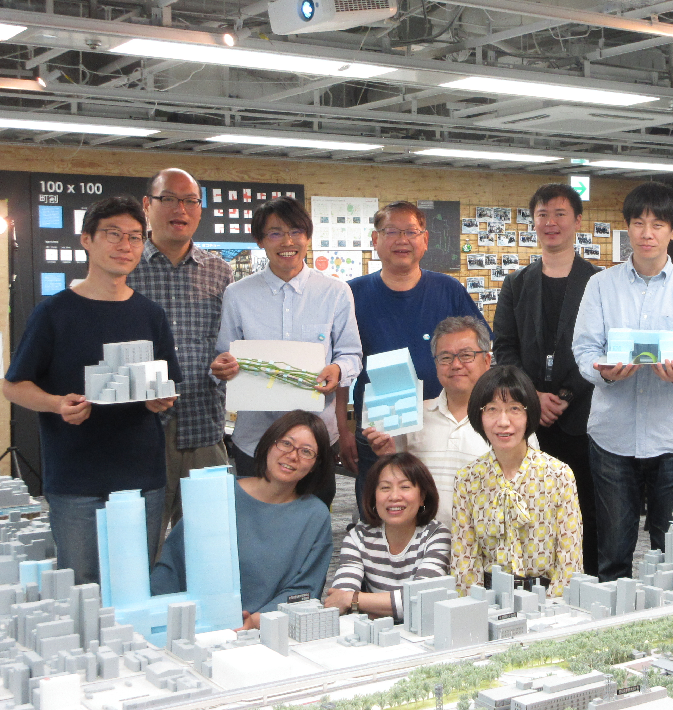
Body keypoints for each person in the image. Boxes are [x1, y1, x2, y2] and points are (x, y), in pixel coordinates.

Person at [3, 196, 180, 585]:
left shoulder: (151, 314)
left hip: (142, 475)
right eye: (113, 234)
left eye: (135, 237)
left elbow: (166, 382)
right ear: (87, 239)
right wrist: (56, 404)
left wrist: (159, 400)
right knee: (81, 588)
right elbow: (13, 386)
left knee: (136, 584)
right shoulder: (54, 313)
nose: (125, 245)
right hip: (75, 478)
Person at [572, 181, 673, 582]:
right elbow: (583, 350)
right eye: (638, 223)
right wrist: (603, 372)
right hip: (613, 438)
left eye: (657, 224)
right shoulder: (600, 285)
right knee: (614, 552)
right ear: (628, 228)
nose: (646, 233)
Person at [211, 197, 362, 508]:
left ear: (308, 237)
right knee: (256, 523)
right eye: (275, 233)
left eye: (296, 232)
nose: (288, 242)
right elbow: (224, 356)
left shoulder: (335, 292)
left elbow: (351, 355)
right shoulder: (238, 295)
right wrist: (222, 368)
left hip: (316, 440)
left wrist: (338, 370)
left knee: (313, 520)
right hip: (256, 438)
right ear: (260, 241)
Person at [339, 201, 486, 508]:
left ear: (425, 239)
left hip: (442, 427)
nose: (402, 240)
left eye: (411, 232)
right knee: (382, 511)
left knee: (445, 506)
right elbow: (341, 365)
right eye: (391, 231)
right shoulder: (351, 294)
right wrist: (343, 429)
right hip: (379, 432)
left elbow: (482, 354)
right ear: (375, 239)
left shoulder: (449, 290)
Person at [493, 183, 601, 574]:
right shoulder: (517, 283)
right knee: (531, 508)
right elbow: (504, 347)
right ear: (533, 222)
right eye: (542, 215)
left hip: (583, 418)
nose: (550, 222)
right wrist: (532, 396)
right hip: (529, 419)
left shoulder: (598, 282)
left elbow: (602, 349)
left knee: (583, 510)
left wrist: (567, 394)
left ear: (577, 221)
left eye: (559, 214)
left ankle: (584, 580)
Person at [127, 168, 233, 549]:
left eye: (190, 201)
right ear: (147, 205)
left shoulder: (219, 271)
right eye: (169, 199)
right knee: (142, 547)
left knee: (209, 548)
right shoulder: (126, 267)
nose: (180, 210)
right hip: (140, 430)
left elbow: (229, 343)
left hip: (204, 427)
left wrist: (227, 365)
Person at [152, 410, 334, 630]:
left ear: (315, 464)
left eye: (306, 452)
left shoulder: (316, 515)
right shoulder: (218, 493)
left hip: (270, 629)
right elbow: (172, 565)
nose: (293, 456)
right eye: (286, 444)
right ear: (269, 444)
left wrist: (256, 621)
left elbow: (305, 589)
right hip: (195, 624)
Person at [364, 315, 537, 530]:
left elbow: (531, 492)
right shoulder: (413, 416)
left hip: (487, 541)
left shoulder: (511, 423)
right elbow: (397, 485)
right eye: (445, 357)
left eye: (466, 355)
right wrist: (387, 455)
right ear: (436, 364)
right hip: (423, 542)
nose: (456, 365)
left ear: (486, 360)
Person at [450, 366, 583, 597]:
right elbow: (464, 563)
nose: (503, 421)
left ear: (530, 414)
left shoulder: (559, 475)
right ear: (479, 416)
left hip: (546, 600)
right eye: (492, 409)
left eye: (514, 409)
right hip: (487, 599)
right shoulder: (467, 480)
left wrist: (553, 609)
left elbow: (569, 561)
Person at [325, 452, 450, 620]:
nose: (394, 497)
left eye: (405, 487)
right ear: (373, 496)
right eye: (385, 488)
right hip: (373, 632)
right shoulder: (358, 536)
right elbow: (338, 598)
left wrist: (353, 600)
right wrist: (349, 599)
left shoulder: (436, 535)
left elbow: (421, 600)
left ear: (422, 497)